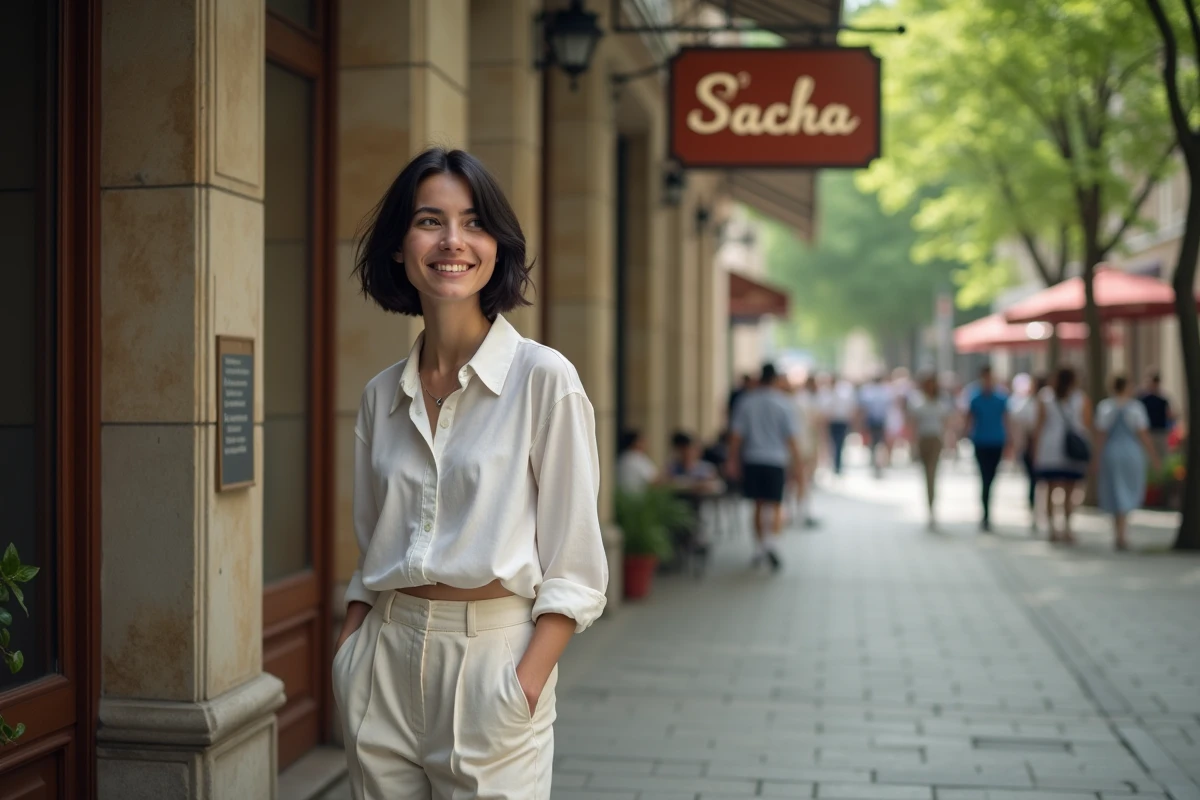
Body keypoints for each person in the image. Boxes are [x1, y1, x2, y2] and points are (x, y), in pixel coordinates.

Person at [335, 148, 609, 798]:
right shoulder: (382, 395)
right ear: (400, 247)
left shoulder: (545, 381)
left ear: (497, 246)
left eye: (473, 222)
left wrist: (524, 682)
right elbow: (374, 541)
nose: (452, 241)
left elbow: (576, 565)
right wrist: (350, 654)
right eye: (430, 220)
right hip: (384, 662)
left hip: (494, 666)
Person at [726, 363, 804, 571]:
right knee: (776, 504)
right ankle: (772, 544)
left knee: (758, 505)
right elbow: (791, 438)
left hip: (752, 458)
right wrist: (798, 464)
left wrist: (732, 460)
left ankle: (760, 547)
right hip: (776, 460)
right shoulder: (784, 404)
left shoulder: (746, 402)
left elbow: (736, 435)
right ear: (776, 380)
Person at [1096, 375, 1160, 550]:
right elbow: (1143, 435)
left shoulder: (1105, 407)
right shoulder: (1135, 408)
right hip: (1130, 452)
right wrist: (1154, 456)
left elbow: (1101, 436)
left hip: (1111, 452)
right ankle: (1122, 533)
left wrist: (1096, 458)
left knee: (1115, 490)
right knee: (1125, 489)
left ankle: (1118, 532)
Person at [1034, 366, 1093, 544]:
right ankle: (1067, 528)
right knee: (1070, 490)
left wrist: (1035, 451)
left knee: (1050, 489)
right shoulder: (1081, 398)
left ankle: (1053, 529)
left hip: (1050, 448)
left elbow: (1039, 426)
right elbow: (1087, 423)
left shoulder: (1045, 397)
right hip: (1072, 448)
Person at [965, 365, 1009, 532]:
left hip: (997, 441)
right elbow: (969, 419)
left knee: (992, 477)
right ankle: (985, 514)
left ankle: (988, 510)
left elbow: (1006, 420)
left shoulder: (1001, 398)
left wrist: (1010, 441)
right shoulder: (975, 398)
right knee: (984, 478)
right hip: (981, 442)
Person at [909, 372, 953, 530]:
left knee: (932, 474)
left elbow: (947, 423)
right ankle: (929, 505)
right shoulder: (917, 401)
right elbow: (913, 424)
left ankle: (932, 507)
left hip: (935, 440)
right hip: (923, 440)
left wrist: (949, 443)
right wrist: (912, 445)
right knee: (926, 475)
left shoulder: (941, 401)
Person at [1008, 373, 1046, 528]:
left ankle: (1041, 512)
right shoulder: (1027, 404)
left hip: (1044, 447)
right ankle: (1035, 511)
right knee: (1034, 481)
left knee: (1041, 482)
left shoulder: (1040, 404)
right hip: (1032, 446)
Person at [819, 373, 857, 475]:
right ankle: (832, 462)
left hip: (841, 421)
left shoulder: (844, 392)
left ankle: (837, 464)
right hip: (831, 421)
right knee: (831, 443)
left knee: (839, 443)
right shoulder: (826, 392)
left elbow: (850, 407)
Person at [858, 373, 893, 478]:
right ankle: (879, 463)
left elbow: (863, 409)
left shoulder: (869, 391)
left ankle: (876, 462)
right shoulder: (885, 391)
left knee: (874, 443)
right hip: (879, 421)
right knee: (880, 443)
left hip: (873, 421)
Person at [1138, 369, 1175, 463]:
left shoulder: (1162, 399)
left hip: (1160, 432)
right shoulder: (1143, 399)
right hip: (1148, 433)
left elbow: (1169, 415)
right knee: (1147, 458)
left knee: (1161, 458)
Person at [617, 429, 660, 493]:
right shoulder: (637, 458)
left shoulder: (622, 458)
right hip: (638, 499)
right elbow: (655, 480)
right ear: (635, 443)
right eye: (642, 441)